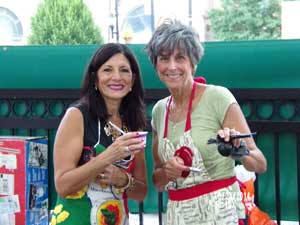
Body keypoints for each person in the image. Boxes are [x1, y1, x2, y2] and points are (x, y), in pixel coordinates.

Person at [145, 19, 267, 225]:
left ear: (193, 64)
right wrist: (168, 171)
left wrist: (238, 149)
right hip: (178, 215)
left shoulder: (218, 97)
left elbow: (260, 163)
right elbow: (157, 182)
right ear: (156, 65)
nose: (172, 66)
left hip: (220, 213)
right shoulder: (159, 111)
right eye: (164, 58)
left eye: (180, 57)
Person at [51, 43, 148, 225]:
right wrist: (109, 156)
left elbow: (141, 192)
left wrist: (123, 180)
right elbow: (62, 186)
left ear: (132, 81)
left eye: (124, 70)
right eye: (108, 70)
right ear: (95, 79)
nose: (117, 77)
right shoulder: (77, 116)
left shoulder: (134, 124)